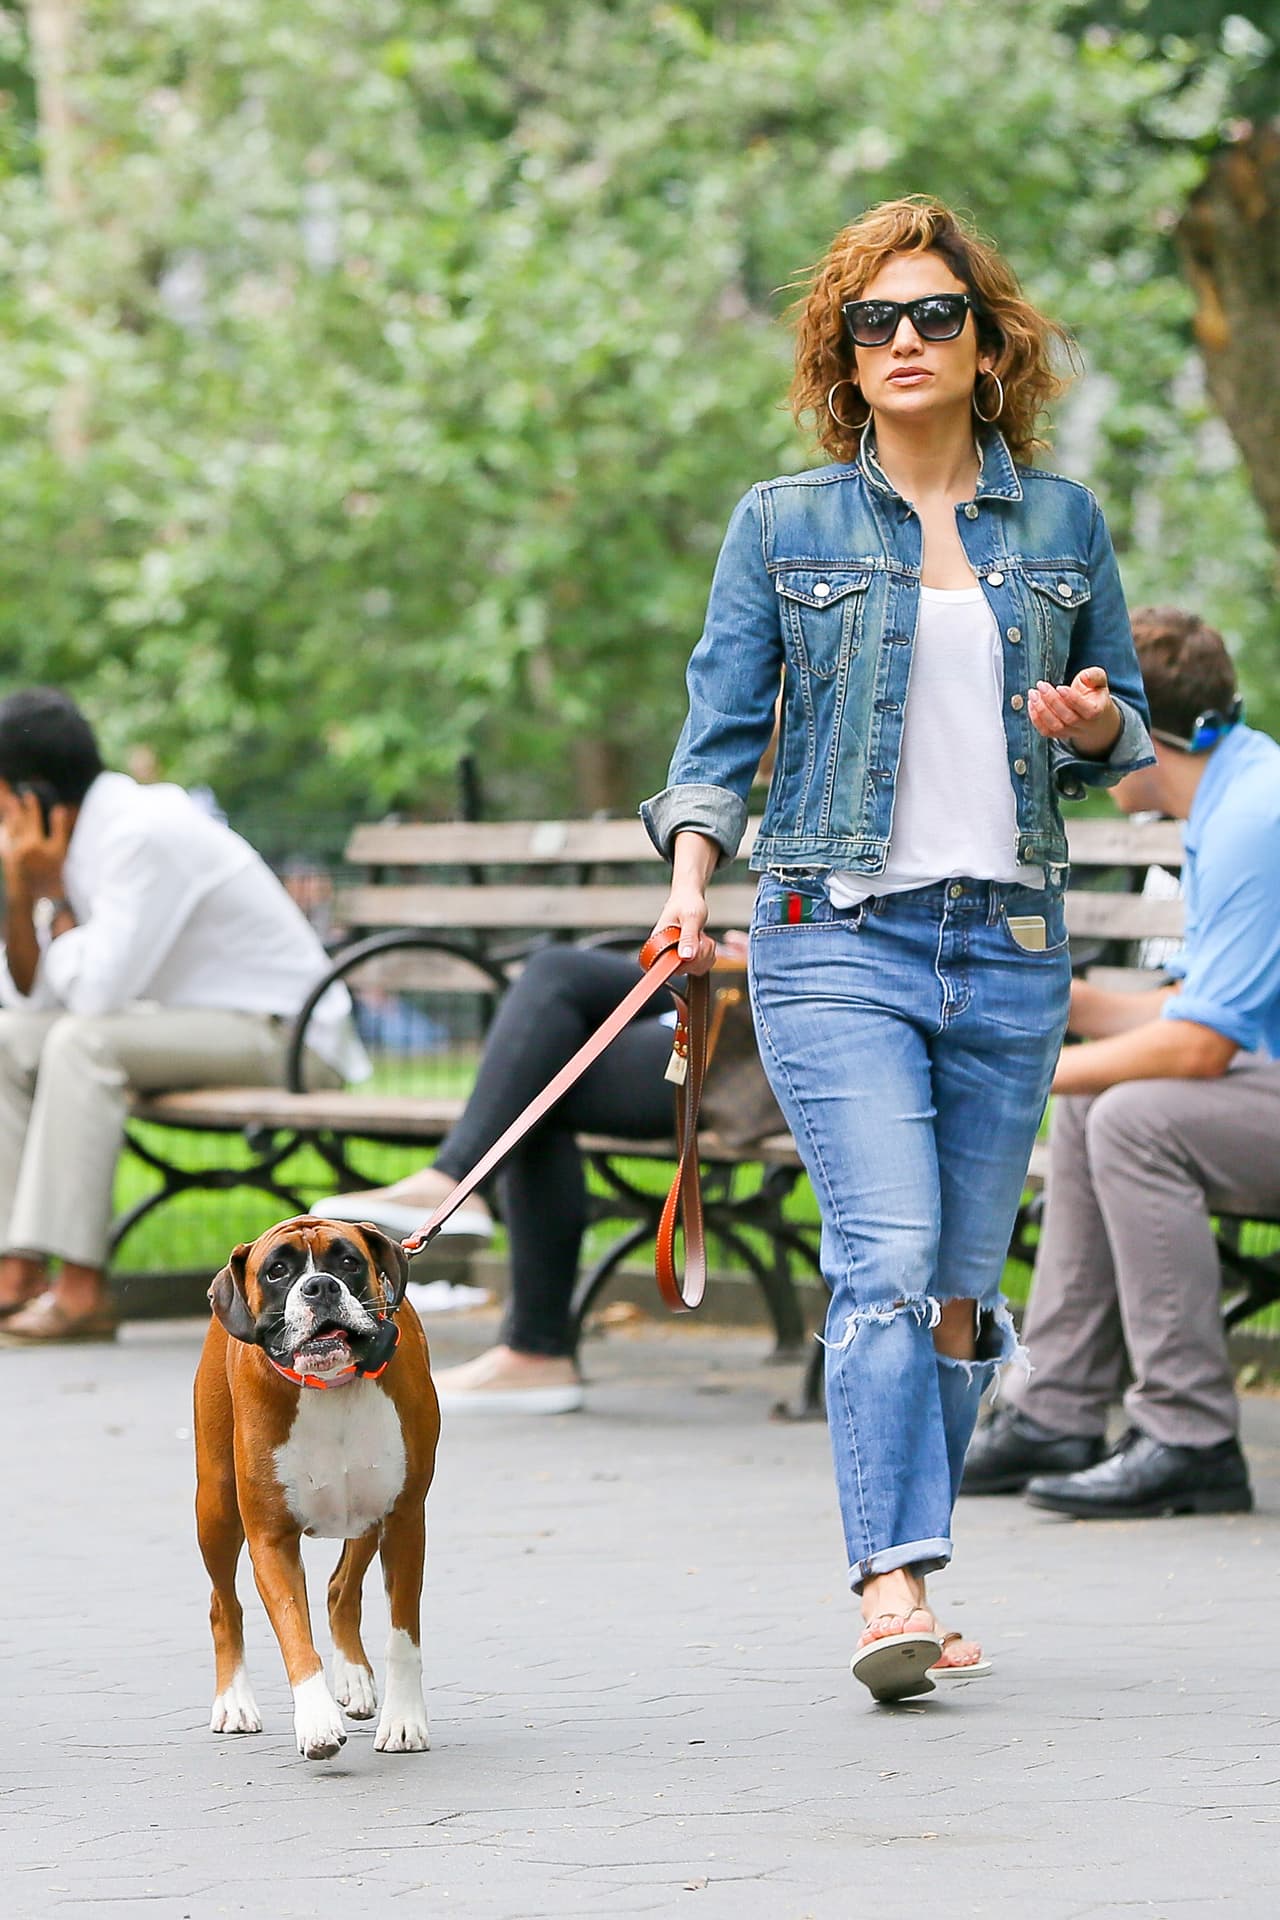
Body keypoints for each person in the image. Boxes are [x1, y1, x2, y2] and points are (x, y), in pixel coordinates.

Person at [639, 195, 1153, 1699]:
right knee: (879, 1262)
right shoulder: (781, 523)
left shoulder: (1061, 524)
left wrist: (1095, 721)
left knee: (959, 1289)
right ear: (844, 357)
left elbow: (1123, 734)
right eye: (879, 320)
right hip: (832, 934)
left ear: (989, 351)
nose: (909, 339)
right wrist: (689, 881)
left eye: (938, 316)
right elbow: (720, 734)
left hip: (1007, 942)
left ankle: (914, 1562)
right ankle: (895, 1583)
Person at [963, 608, 1277, 1517]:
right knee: (1102, 1103)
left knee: (1133, 1114)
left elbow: (1201, 1046)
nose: (1077, 758)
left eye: (1086, 726)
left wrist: (1017, 1076)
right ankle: (1055, 1410)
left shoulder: (1256, 814)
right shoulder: (1233, 792)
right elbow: (1197, 1008)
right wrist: (1055, 1006)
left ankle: (1190, 1437)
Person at [0, 688, 366, 1341]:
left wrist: (49, 897)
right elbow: (32, 999)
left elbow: (92, 998)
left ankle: (81, 1289)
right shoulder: (72, 844)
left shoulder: (141, 833)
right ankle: (16, 1269)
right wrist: (26, 890)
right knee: (8, 1037)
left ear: (30, 799)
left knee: (82, 1044)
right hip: (199, 1025)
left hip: (286, 1033)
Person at [315, 936, 742, 1413]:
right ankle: (458, 1192)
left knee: (539, 1074)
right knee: (556, 972)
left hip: (781, 1018)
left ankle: (531, 1342)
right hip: (730, 982)